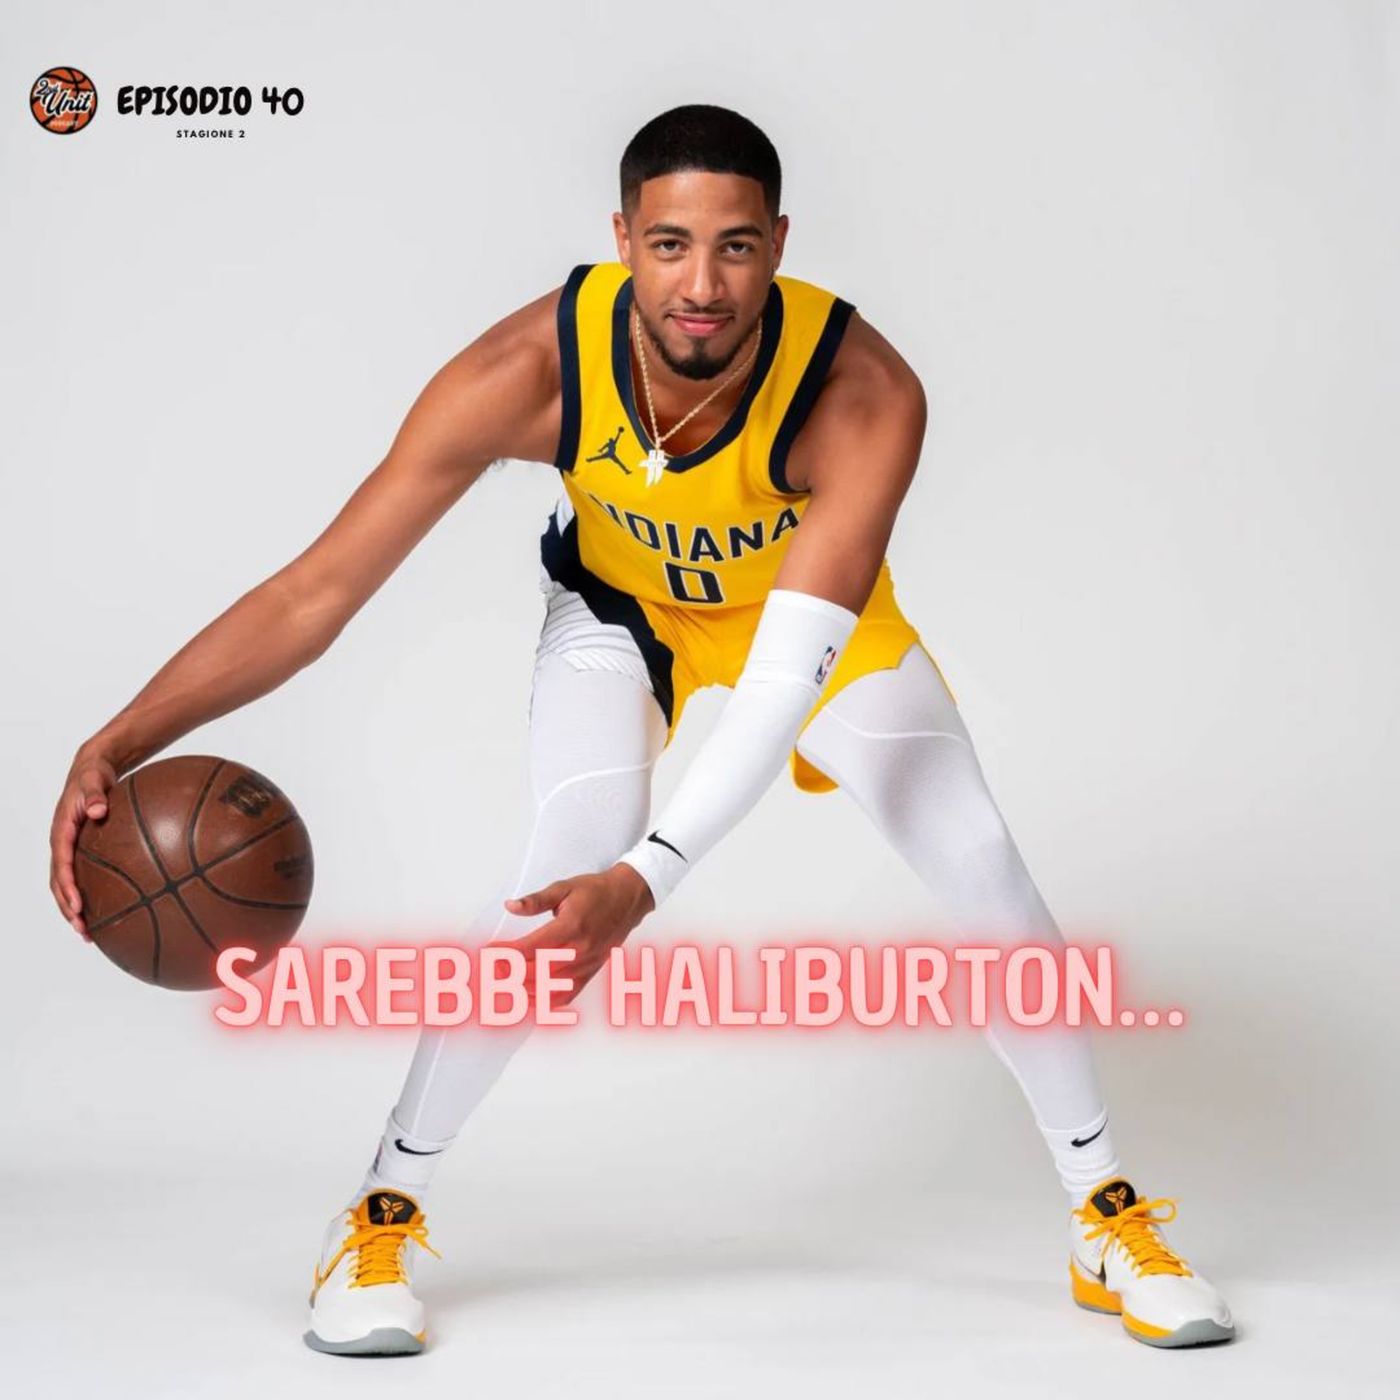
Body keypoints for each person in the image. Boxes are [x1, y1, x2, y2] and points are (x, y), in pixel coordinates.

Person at [49, 104, 1235, 1355]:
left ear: (779, 243)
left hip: (800, 617)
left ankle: (1102, 1209)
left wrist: (648, 880)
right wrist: (117, 740)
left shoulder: (863, 392)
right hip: (623, 610)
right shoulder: (528, 371)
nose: (701, 284)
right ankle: (380, 1208)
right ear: (621, 239)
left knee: (978, 853)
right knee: (562, 859)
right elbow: (315, 592)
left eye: (734, 245)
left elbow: (777, 690)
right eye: (669, 244)